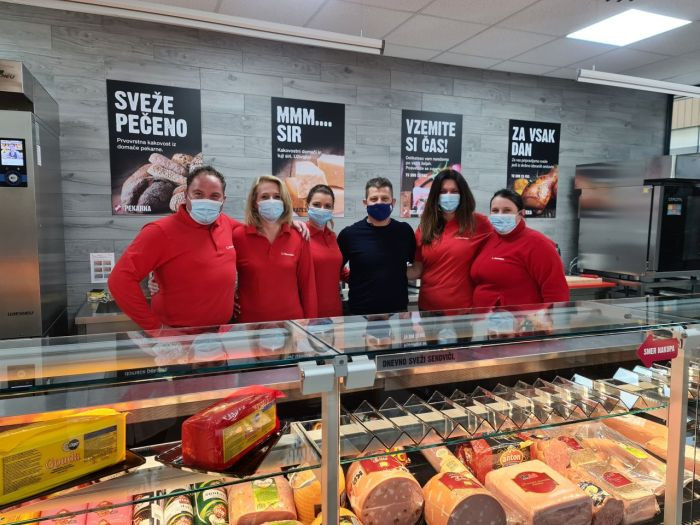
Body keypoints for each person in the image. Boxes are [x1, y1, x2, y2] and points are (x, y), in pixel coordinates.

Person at [108, 166, 238, 330]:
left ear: (223, 200)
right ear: (186, 195)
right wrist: (157, 329)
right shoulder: (159, 231)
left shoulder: (227, 224)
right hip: (179, 337)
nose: (206, 201)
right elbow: (120, 280)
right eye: (198, 194)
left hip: (221, 333)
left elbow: (256, 238)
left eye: (214, 196)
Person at [232, 175, 317, 323]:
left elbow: (307, 285)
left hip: (292, 324)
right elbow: (222, 274)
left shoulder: (299, 235)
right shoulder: (238, 236)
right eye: (264, 197)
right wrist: (226, 301)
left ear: (284, 202)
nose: (271, 201)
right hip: (250, 325)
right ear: (254, 203)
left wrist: (311, 323)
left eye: (277, 196)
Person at [407, 169, 492, 311]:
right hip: (429, 310)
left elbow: (502, 247)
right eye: (443, 191)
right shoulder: (426, 226)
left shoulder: (479, 223)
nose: (448, 195)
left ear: (463, 194)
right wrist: (386, 269)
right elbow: (417, 270)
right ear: (435, 195)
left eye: (454, 191)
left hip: (464, 312)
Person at [470, 188, 569, 307]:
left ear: (521, 214)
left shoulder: (538, 244)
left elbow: (557, 292)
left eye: (507, 211)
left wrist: (551, 317)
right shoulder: (488, 239)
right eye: (495, 211)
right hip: (483, 316)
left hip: (520, 318)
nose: (500, 215)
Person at [337, 177, 416, 315]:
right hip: (359, 313)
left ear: (393, 202)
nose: (379, 202)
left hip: (398, 312)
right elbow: (335, 268)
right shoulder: (349, 234)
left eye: (385, 199)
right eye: (374, 199)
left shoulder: (404, 231)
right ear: (365, 203)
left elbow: (417, 265)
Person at [305, 184, 344, 317]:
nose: (322, 209)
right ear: (307, 206)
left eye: (327, 206)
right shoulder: (299, 235)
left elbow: (337, 270)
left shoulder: (332, 236)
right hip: (309, 314)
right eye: (316, 204)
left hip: (335, 312)